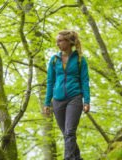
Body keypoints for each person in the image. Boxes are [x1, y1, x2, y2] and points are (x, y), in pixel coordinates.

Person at [43, 30, 90, 160]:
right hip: (57, 101)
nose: (57, 43)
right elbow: (50, 82)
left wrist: (86, 101)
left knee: (70, 132)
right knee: (67, 134)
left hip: (74, 99)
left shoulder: (80, 60)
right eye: (57, 41)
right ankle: (77, 158)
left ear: (69, 42)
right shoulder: (54, 60)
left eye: (60, 41)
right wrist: (47, 102)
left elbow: (85, 81)